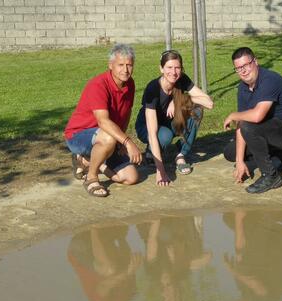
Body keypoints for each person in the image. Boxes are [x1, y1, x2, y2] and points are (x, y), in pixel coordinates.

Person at [223, 47, 282, 194]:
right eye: (238, 68)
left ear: (255, 62)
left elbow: (256, 116)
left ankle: (271, 176)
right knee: (231, 152)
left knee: (250, 127)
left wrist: (232, 115)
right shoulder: (243, 88)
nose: (243, 71)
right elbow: (241, 122)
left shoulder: (269, 80)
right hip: (273, 129)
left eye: (246, 65)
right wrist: (240, 162)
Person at [64, 43, 142, 198]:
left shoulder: (130, 84)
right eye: (120, 65)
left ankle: (91, 161)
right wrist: (127, 141)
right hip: (79, 136)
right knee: (108, 138)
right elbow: (103, 122)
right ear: (110, 65)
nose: (125, 70)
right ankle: (91, 177)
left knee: (131, 178)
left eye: (129, 65)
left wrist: (121, 140)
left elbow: (126, 113)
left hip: (108, 138)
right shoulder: (98, 84)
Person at [135, 50, 213, 186]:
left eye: (177, 68)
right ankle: (151, 151)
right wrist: (161, 171)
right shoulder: (153, 88)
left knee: (197, 110)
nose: (174, 72)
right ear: (161, 68)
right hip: (147, 127)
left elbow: (209, 103)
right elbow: (152, 132)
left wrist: (180, 99)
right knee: (165, 136)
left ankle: (181, 155)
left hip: (169, 122)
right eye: (169, 67)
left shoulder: (181, 79)